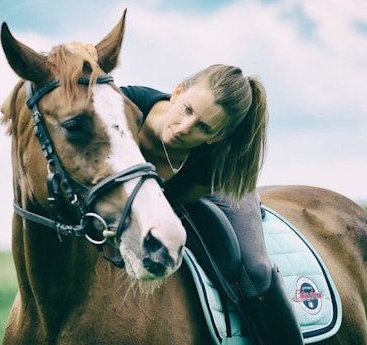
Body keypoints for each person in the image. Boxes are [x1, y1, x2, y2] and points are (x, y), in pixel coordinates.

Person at [120, 64, 304, 345]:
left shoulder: (211, 158)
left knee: (255, 268)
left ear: (216, 137)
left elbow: (181, 200)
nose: (184, 128)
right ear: (178, 92)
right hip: (161, 191)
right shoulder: (127, 105)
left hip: (212, 188)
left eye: (203, 127)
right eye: (188, 109)